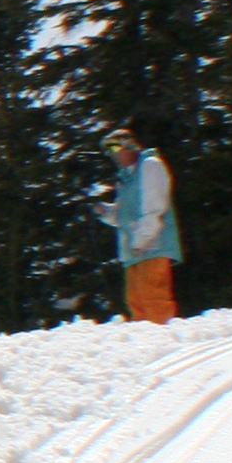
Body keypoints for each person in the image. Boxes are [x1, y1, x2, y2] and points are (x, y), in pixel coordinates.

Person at [98, 128, 180, 324]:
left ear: (130, 145)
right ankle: (146, 341)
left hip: (153, 244)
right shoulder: (126, 177)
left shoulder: (150, 166)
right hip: (134, 250)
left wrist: (142, 239)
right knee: (135, 301)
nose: (114, 154)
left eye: (117, 147)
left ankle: (162, 338)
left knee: (153, 297)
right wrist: (105, 212)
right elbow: (123, 217)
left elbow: (155, 206)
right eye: (109, 150)